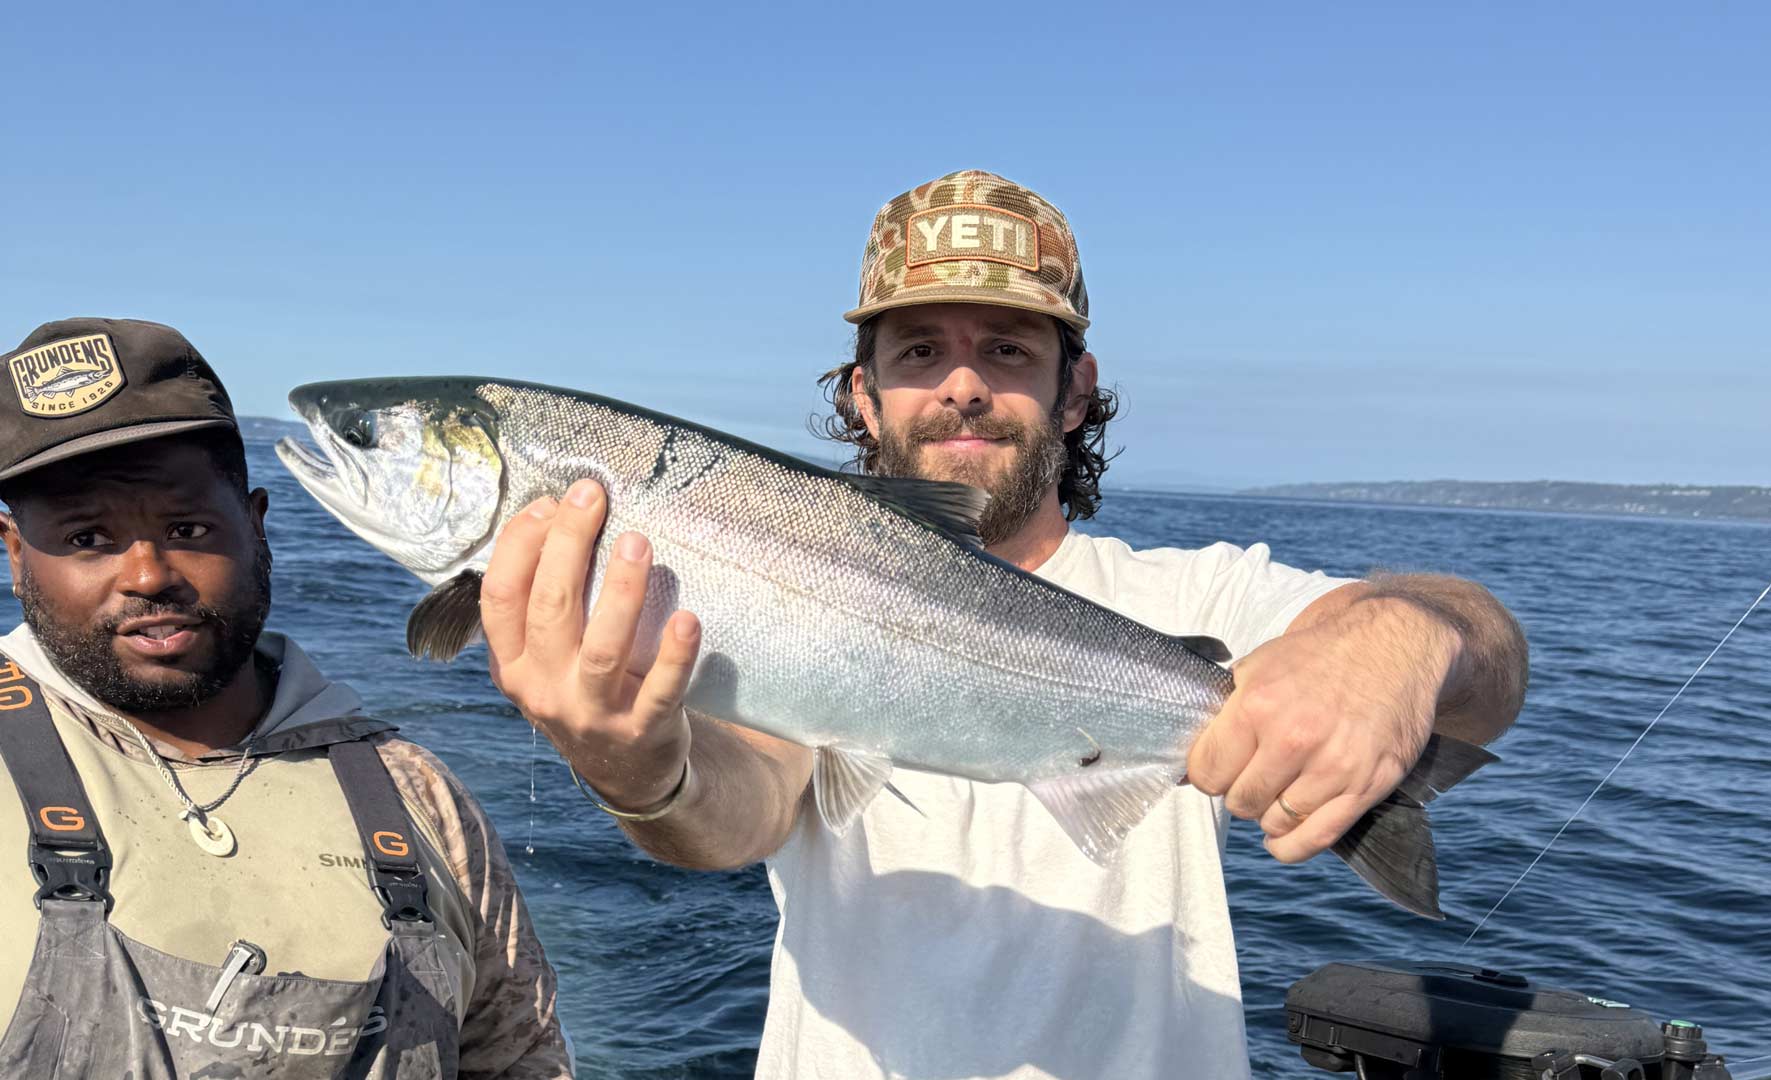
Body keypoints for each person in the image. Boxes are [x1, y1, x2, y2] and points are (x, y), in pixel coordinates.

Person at [481, 171, 1529, 1080]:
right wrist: (639, 770)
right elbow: (742, 805)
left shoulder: (1197, 602)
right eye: (922, 350)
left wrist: (1389, 642)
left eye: (1010, 351)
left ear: (1076, 390)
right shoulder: (781, 588)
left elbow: (1484, 656)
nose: (966, 385)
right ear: (865, 394)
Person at [0, 318, 572, 1078]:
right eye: (87, 540)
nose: (147, 575)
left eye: (188, 526)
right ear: (13, 554)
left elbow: (521, 1061)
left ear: (257, 526)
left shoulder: (421, 797)